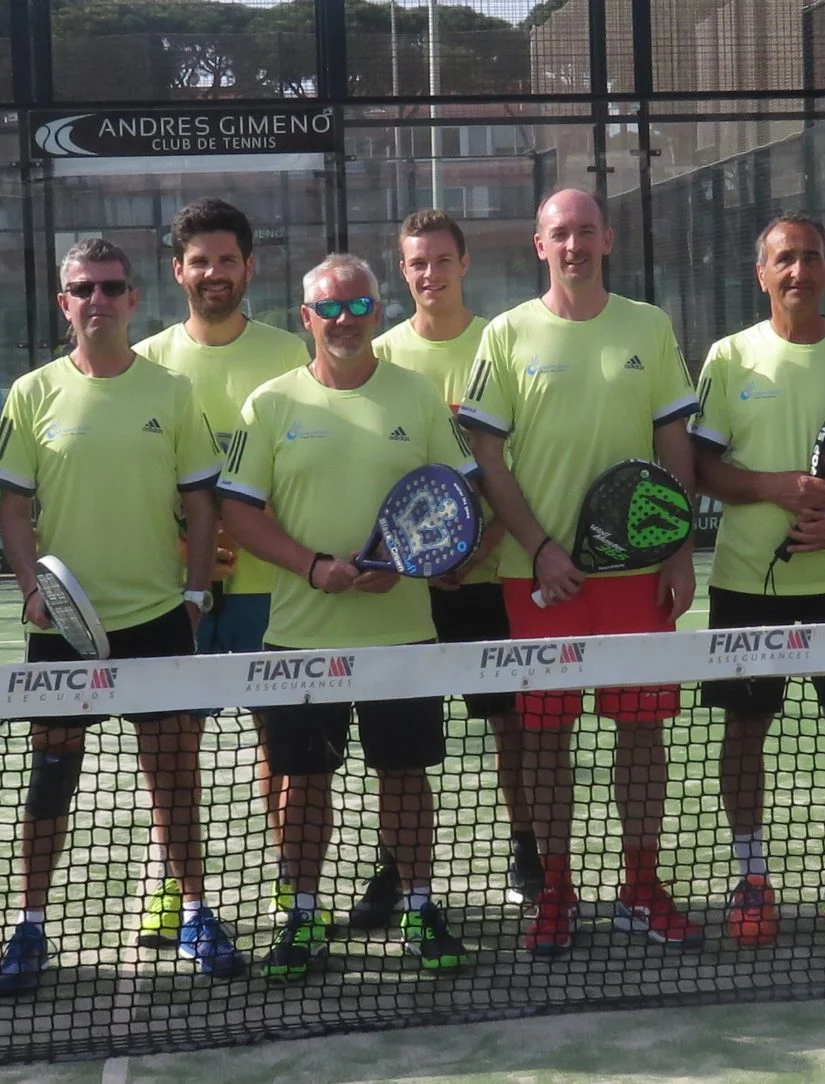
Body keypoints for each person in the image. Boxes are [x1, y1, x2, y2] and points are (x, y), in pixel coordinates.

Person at [0, 238, 246, 992]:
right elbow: (12, 505)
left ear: (134, 299)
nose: (97, 299)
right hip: (60, 627)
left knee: (174, 778)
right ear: (63, 302)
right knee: (51, 780)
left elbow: (200, 507)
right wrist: (33, 589)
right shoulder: (32, 393)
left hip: (158, 621)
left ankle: (195, 910)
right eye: (82, 288)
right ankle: (29, 926)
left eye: (110, 286)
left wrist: (196, 595)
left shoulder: (169, 392)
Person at [457, 188, 702, 956]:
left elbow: (676, 447)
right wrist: (538, 546)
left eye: (586, 232)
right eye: (561, 234)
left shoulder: (649, 326)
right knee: (545, 738)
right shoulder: (504, 334)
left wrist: (674, 549)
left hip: (636, 576)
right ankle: (557, 890)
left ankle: (640, 884)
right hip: (539, 578)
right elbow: (487, 459)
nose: (575, 246)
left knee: (641, 732)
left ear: (608, 239)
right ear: (539, 244)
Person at [220, 253, 475, 978]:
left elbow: (460, 497)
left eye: (357, 307)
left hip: (402, 632)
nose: (343, 321)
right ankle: (303, 917)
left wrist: (427, 560)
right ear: (306, 319)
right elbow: (238, 512)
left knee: (404, 778)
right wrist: (313, 567)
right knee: (303, 782)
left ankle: (420, 908)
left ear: (377, 311)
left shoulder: (417, 398)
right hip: (299, 635)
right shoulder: (270, 404)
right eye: (328, 309)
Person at [692, 213, 825, 947]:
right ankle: (752, 879)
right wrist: (779, 487)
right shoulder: (728, 358)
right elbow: (704, 471)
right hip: (747, 583)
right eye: (784, 259)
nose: (798, 271)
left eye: (811, 257)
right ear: (762, 274)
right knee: (745, 729)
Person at [132, 197, 311, 935]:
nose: (214, 273)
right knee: (174, 748)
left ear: (250, 266)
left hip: (275, 592)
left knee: (284, 745)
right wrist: (188, 549)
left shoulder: (291, 354)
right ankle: (179, 887)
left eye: (226, 259)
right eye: (199, 261)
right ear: (178, 271)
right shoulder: (147, 363)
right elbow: (143, 481)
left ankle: (289, 885)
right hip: (178, 596)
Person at [360, 208, 540, 921]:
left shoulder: (499, 346)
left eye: (442, 259)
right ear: (402, 271)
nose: (430, 273)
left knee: (510, 723)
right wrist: (414, 561)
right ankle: (394, 869)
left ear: (464, 265)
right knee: (397, 740)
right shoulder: (381, 354)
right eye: (417, 262)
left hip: (489, 577)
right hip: (408, 590)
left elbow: (512, 462)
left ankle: (527, 845)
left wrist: (484, 546)